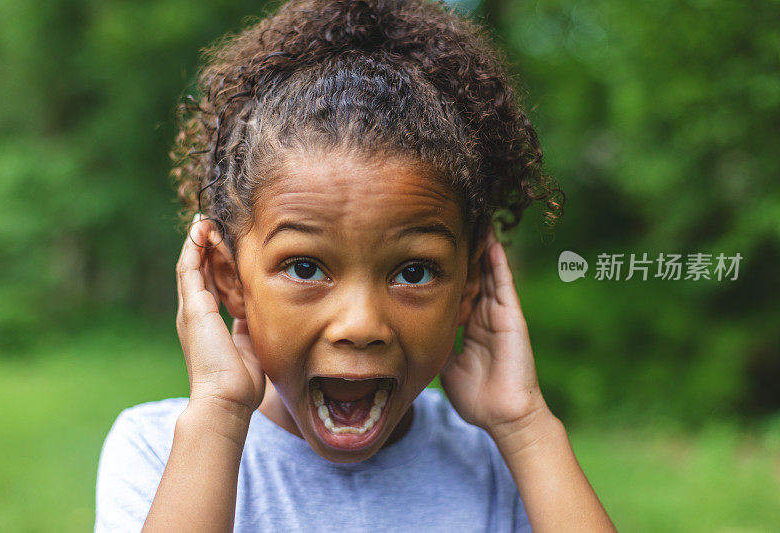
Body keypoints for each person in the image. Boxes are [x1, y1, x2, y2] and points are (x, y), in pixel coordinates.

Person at [94, 0, 617, 531]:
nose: (361, 325)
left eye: (413, 272)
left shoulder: (499, 461)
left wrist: (527, 429)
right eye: (304, 267)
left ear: (470, 285)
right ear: (229, 280)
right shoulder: (161, 450)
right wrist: (219, 417)